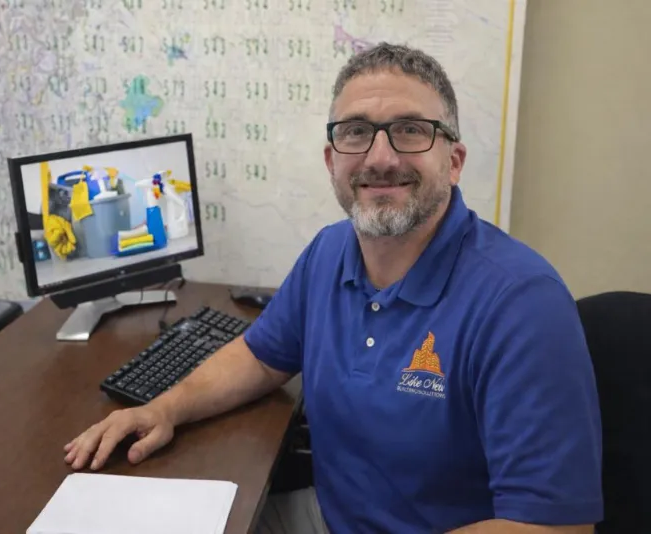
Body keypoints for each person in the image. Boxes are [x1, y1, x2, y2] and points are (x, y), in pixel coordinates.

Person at [63, 42, 604, 533]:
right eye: (355, 132)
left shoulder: (521, 304)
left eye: (412, 130)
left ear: (454, 161)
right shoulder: (329, 252)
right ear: (332, 160)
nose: (380, 157)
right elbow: (260, 355)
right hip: (330, 517)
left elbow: (553, 528)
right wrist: (165, 409)